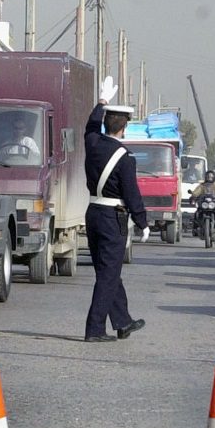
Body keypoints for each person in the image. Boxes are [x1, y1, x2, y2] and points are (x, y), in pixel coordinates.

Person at [82, 76, 147, 343]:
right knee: (108, 274)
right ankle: (94, 329)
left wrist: (101, 102)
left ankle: (122, 321)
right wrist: (143, 222)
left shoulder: (93, 143)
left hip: (93, 213)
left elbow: (89, 126)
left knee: (107, 271)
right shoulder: (125, 158)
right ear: (124, 128)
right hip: (112, 218)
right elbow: (131, 193)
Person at [190, 170, 215, 237]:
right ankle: (195, 228)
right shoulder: (202, 185)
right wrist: (193, 194)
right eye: (208, 176)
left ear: (214, 177)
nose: (209, 178)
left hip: (214, 203)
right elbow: (196, 192)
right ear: (206, 177)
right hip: (204, 203)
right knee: (197, 213)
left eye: (211, 177)